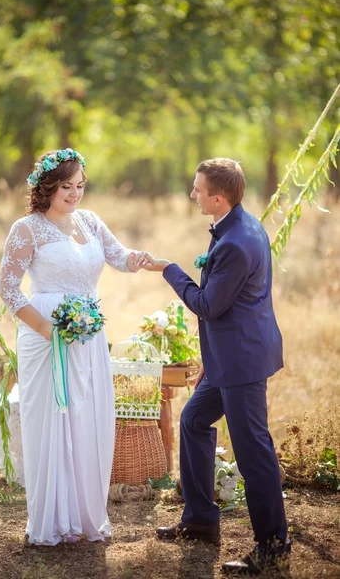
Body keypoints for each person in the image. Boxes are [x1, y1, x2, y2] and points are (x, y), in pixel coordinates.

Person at [139, 158, 291, 575]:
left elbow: (208, 304)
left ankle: (273, 546)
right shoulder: (238, 225)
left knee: (252, 452)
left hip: (242, 362)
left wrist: (170, 271)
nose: (192, 194)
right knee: (192, 420)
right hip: (227, 356)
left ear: (218, 197)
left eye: (197, 189)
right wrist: (210, 358)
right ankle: (202, 519)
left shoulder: (236, 242)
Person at [0, 148, 147, 546]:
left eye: (81, 185)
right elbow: (7, 289)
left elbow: (119, 257)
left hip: (88, 334)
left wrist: (145, 261)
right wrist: (47, 330)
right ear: (47, 186)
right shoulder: (27, 229)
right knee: (50, 420)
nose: (76, 193)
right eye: (67, 186)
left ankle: (82, 517)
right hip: (46, 336)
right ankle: (50, 520)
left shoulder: (92, 222)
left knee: (87, 417)